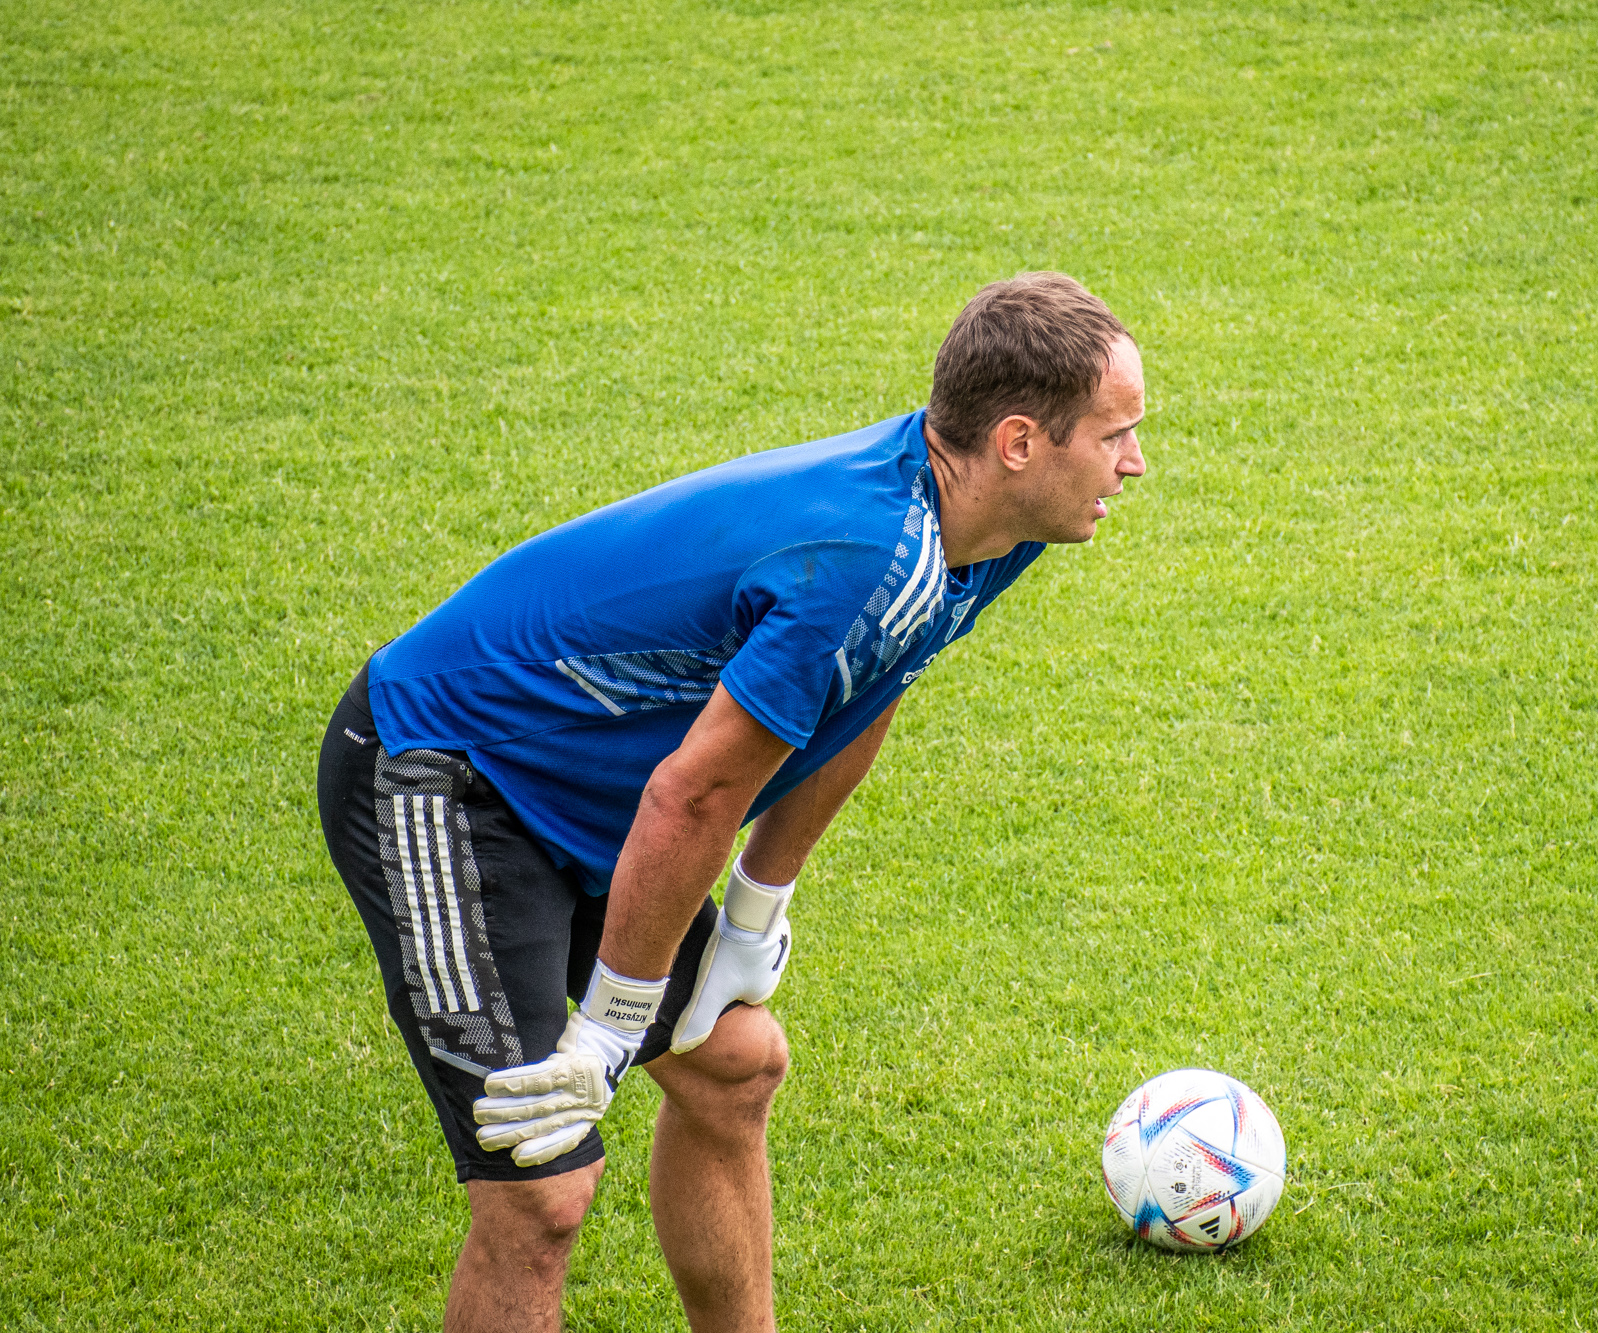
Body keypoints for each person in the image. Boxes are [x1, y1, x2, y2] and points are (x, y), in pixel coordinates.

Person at [316, 271, 1147, 1332]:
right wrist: (609, 1028)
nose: (1133, 461)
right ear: (1019, 441)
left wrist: (756, 911)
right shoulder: (862, 560)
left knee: (735, 1069)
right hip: (444, 773)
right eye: (1115, 434)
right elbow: (693, 795)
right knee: (541, 1190)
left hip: (578, 800)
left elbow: (868, 691)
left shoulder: (984, 529)